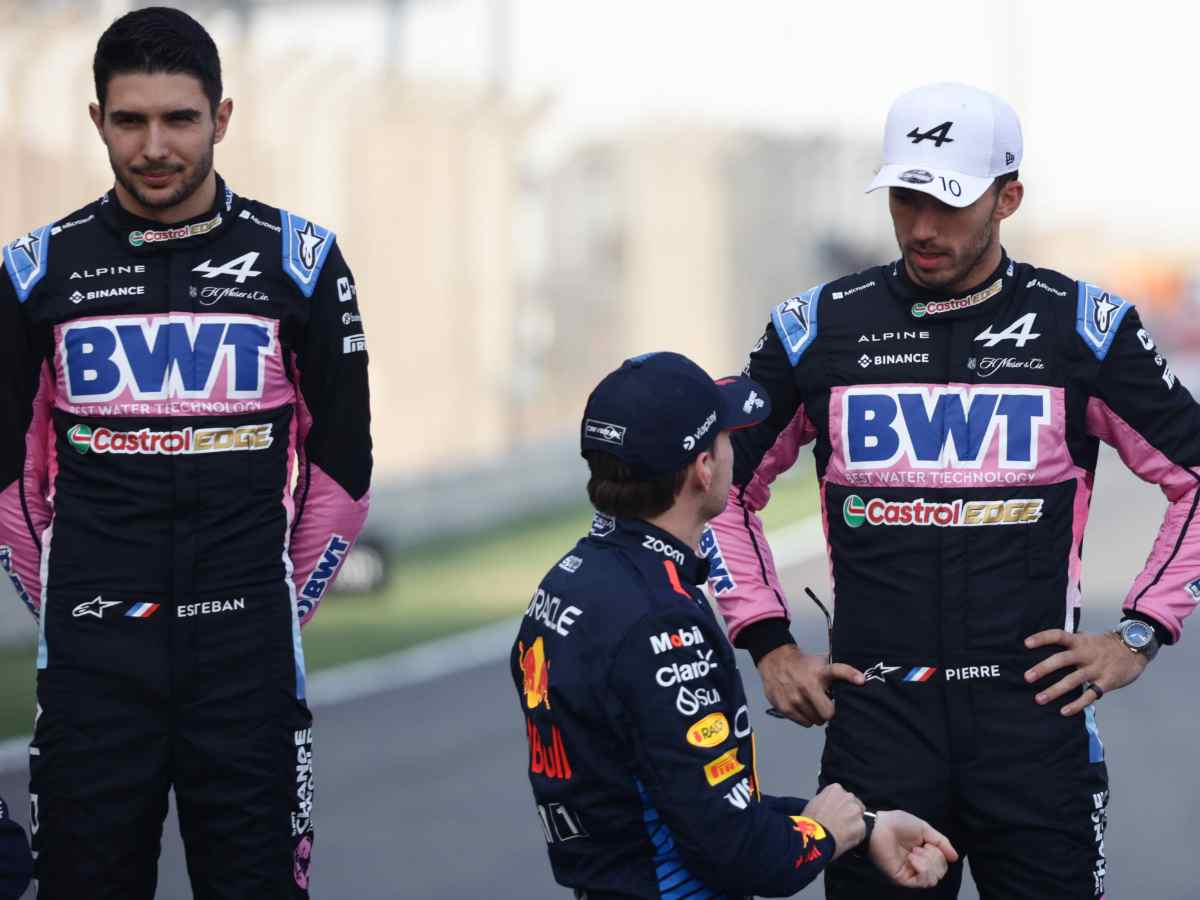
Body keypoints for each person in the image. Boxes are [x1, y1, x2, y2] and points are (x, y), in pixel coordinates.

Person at [706, 80, 1200, 899]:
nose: (922, 227)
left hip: (1035, 729)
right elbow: (718, 487)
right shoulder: (818, 329)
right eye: (905, 197)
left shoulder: (1083, 329)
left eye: (950, 202)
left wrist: (1142, 634)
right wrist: (766, 639)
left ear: (1008, 197)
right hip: (879, 734)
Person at [0, 7, 372, 898]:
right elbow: (11, 483)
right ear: (97, 121)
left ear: (223, 117)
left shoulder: (303, 262)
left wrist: (271, 601)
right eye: (130, 120)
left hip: (245, 662)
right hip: (94, 665)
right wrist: (74, 607)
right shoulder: (33, 271)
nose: (155, 145)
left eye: (180, 119)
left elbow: (343, 471)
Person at [512, 351, 958, 898]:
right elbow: (740, 853)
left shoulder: (567, 582)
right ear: (703, 468)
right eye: (726, 438)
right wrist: (823, 833)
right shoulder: (661, 621)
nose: (733, 452)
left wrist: (864, 827)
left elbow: (689, 798)